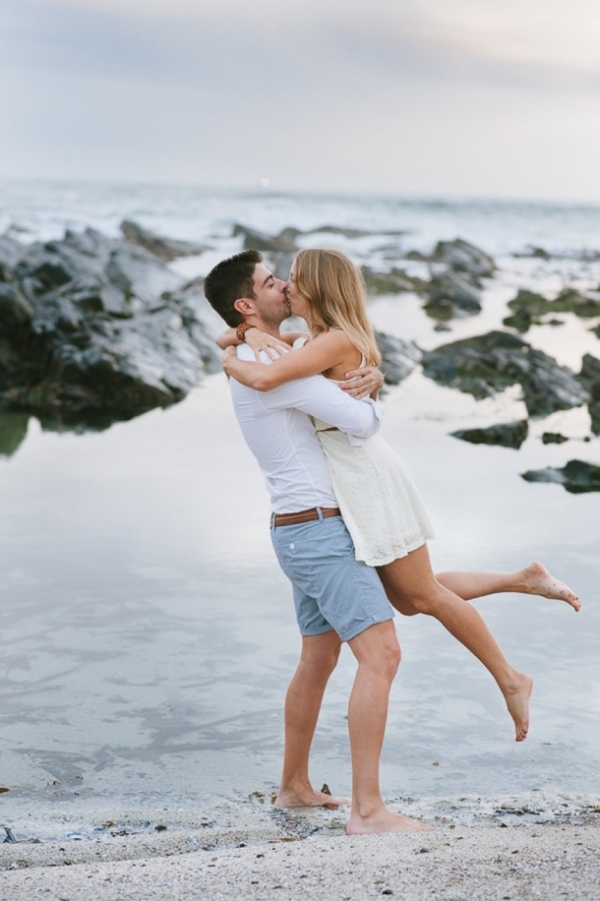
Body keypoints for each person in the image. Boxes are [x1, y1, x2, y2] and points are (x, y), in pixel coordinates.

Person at [219, 248, 581, 745]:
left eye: (294, 280)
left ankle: (511, 677)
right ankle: (522, 580)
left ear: (321, 289)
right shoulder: (308, 341)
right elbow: (242, 339)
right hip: (355, 479)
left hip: (368, 477)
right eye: (277, 282)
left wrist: (233, 358)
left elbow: (279, 382)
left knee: (421, 594)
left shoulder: (325, 343)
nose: (286, 286)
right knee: (410, 594)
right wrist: (246, 335)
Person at [204, 249, 432, 834]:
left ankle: (294, 788)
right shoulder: (264, 358)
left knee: (318, 659)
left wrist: (365, 372)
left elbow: (333, 388)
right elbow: (359, 423)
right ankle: (368, 811)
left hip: (300, 528)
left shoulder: (268, 352)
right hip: (317, 528)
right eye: (270, 281)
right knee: (381, 655)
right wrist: (368, 387)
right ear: (247, 304)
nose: (285, 285)